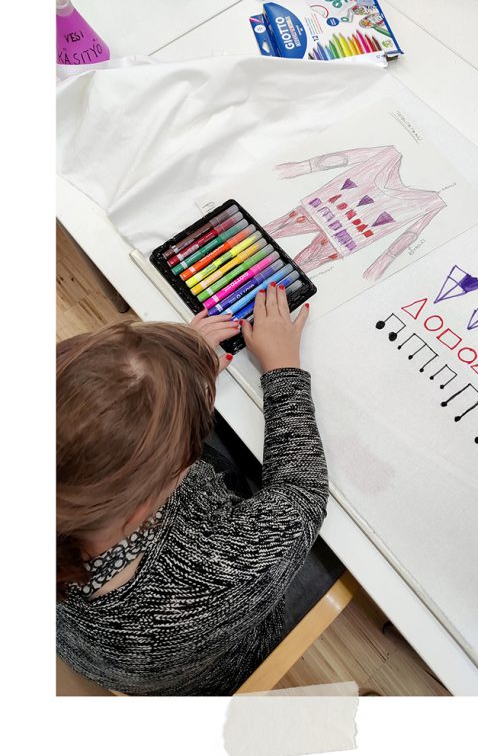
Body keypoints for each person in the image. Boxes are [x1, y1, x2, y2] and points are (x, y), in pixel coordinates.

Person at [56, 284, 329, 696]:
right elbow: (302, 493)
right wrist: (283, 369)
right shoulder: (207, 576)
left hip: (111, 657)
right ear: (146, 504)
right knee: (345, 551)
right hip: (224, 660)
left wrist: (161, 376)